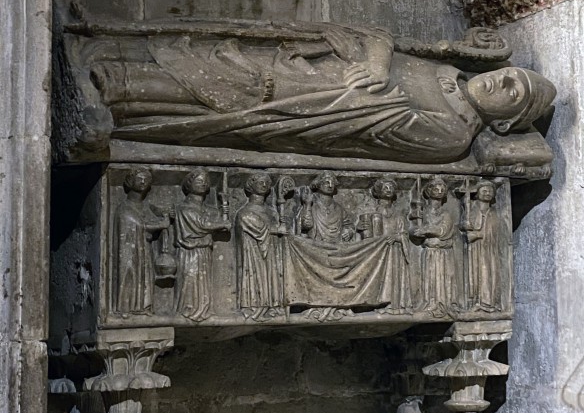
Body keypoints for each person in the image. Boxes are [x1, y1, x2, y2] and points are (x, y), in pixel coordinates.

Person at [78, 18, 556, 169]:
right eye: (509, 75)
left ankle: (116, 94)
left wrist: (369, 74)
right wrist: (376, 61)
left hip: (305, 99)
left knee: (216, 89)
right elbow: (377, 36)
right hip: (310, 58)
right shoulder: (445, 69)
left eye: (512, 92)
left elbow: (373, 123)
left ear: (504, 122)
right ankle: (101, 55)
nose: (500, 80)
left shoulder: (453, 133)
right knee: (209, 52)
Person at [174, 169, 230, 321]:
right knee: (190, 279)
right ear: (189, 184)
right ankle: (186, 311)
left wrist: (224, 208)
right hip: (189, 251)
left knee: (203, 282)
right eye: (199, 180)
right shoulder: (184, 208)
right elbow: (202, 224)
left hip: (204, 251)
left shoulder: (208, 209)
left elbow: (221, 224)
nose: (203, 183)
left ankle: (204, 310)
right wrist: (221, 224)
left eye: (205, 181)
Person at [114, 168, 169, 316]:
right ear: (130, 181)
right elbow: (138, 224)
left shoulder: (146, 207)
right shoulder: (124, 208)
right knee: (129, 272)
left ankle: (144, 307)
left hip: (144, 248)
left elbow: (151, 221)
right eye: (139, 178)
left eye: (146, 179)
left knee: (146, 273)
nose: (143, 181)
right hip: (128, 250)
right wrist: (160, 224)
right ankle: (125, 308)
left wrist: (165, 216)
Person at [234, 172, 280, 318]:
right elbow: (247, 220)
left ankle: (273, 304)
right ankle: (254, 305)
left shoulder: (271, 212)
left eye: (267, 182)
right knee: (255, 274)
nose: (264, 184)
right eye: (260, 182)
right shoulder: (244, 212)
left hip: (272, 251)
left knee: (272, 274)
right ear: (250, 186)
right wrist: (275, 229)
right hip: (253, 253)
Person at [411, 177, 456, 315]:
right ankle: (429, 303)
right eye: (436, 189)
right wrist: (415, 231)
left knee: (442, 278)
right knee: (429, 278)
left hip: (442, 252)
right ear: (428, 191)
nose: (439, 191)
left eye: (442, 189)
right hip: (429, 251)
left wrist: (427, 230)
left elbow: (444, 230)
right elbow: (414, 231)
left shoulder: (445, 213)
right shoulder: (422, 212)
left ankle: (443, 304)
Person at [369, 178, 412, 312]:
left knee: (394, 276)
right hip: (378, 252)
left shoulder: (399, 215)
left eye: (391, 188)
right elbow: (369, 238)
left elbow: (404, 234)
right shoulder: (373, 213)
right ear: (378, 191)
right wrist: (362, 228)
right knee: (378, 276)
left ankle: (394, 304)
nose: (389, 190)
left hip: (395, 251)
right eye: (385, 187)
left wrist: (397, 237)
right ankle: (378, 303)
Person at [459, 180, 500, 311]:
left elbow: (494, 232)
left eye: (490, 191)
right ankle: (474, 301)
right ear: (477, 193)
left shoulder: (493, 213)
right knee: (473, 273)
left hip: (488, 249)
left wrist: (478, 234)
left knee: (486, 272)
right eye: (484, 191)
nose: (487, 193)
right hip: (473, 248)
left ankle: (487, 303)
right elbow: (465, 225)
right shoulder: (472, 209)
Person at [299, 171, 354, 243]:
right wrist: (308, 204)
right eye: (327, 182)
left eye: (332, 183)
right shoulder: (312, 205)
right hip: (316, 245)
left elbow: (349, 225)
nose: (330, 186)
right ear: (318, 185)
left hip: (336, 245)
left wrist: (349, 232)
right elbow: (305, 226)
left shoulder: (339, 209)